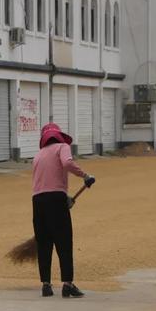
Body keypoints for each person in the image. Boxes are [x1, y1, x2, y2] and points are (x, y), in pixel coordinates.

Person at [32, 123, 95, 298]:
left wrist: (64, 197)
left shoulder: (38, 155)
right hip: (55, 200)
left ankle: (46, 285)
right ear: (58, 136)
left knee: (44, 243)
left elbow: (44, 183)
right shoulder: (62, 147)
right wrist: (85, 176)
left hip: (38, 201)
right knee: (64, 242)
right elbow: (67, 163)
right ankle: (67, 284)